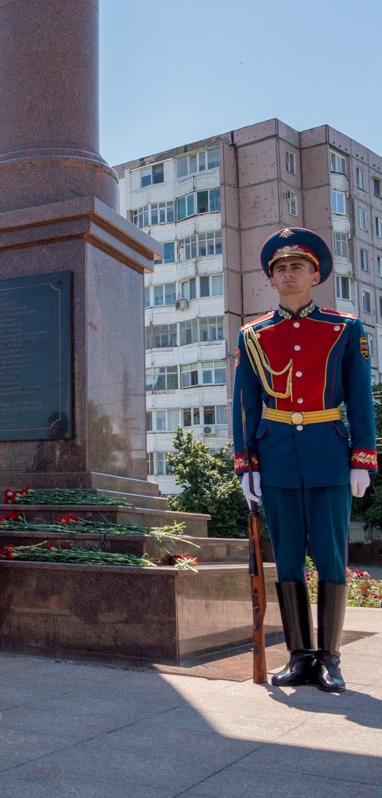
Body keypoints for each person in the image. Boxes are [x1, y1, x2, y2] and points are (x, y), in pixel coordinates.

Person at [233, 227, 377, 694]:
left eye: (297, 266)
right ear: (270, 280)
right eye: (280, 269)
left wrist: (362, 459)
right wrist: (246, 464)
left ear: (315, 275)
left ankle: (329, 658)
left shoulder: (344, 328)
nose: (288, 274)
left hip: (329, 453)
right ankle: (299, 655)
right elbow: (245, 404)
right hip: (275, 456)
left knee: (332, 555)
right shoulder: (253, 335)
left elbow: (359, 397)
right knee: (288, 555)